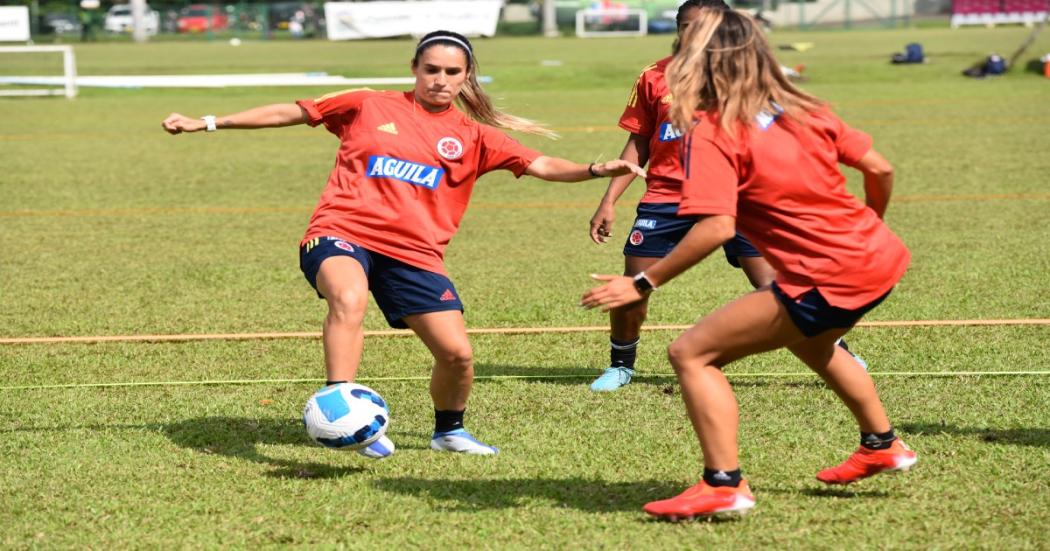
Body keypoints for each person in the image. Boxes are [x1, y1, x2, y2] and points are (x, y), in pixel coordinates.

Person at [162, 30, 645, 459]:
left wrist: (595, 170)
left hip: (415, 254)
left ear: (467, 76)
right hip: (340, 231)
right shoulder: (369, 104)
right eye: (430, 69)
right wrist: (209, 122)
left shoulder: (474, 136)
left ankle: (449, 432)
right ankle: (342, 407)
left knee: (457, 355)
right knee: (347, 299)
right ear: (414, 69)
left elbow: (542, 165)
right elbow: (292, 111)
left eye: (451, 72)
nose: (440, 79)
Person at [581, 9, 916, 519]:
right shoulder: (802, 107)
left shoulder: (712, 132)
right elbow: (881, 166)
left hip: (827, 274)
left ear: (700, 63)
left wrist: (642, 282)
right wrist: (870, 225)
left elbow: (715, 227)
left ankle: (723, 484)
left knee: (691, 354)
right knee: (815, 343)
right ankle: (882, 445)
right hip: (881, 257)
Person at [586, 0, 859, 393]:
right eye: (685, 26)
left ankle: (834, 349)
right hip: (667, 196)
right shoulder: (653, 77)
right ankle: (621, 365)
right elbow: (639, 141)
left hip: (738, 196)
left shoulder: (746, 74)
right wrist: (608, 200)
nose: (693, 34)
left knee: (775, 285)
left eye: (704, 27)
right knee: (634, 284)